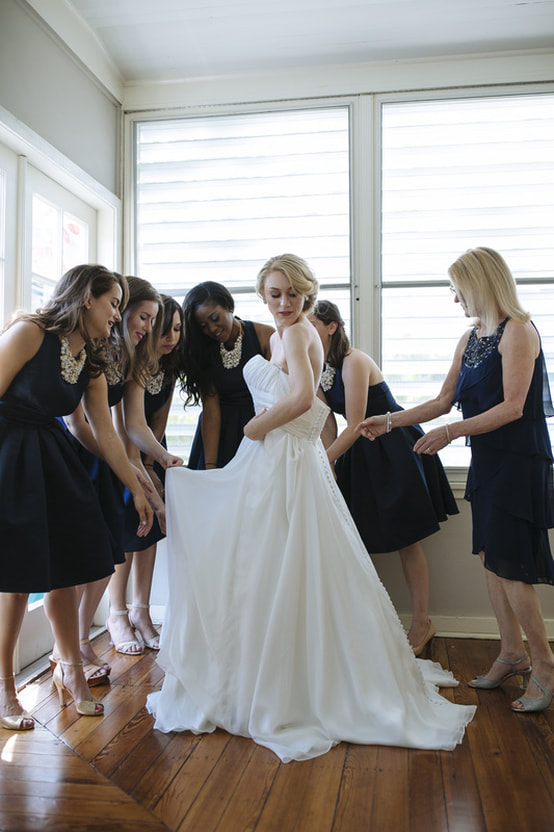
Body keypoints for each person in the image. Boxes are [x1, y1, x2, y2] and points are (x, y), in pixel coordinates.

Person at [146, 253, 475, 762]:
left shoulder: (298, 335)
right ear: (262, 294)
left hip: (282, 457)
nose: (284, 302)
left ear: (306, 293)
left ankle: (297, 683)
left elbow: (304, 399)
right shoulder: (278, 336)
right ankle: (266, 669)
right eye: (275, 294)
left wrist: (256, 428)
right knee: (267, 564)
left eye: (294, 294)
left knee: (286, 563)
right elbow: (312, 406)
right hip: (279, 460)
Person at [358, 247, 554, 713]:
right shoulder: (470, 338)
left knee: (510, 564)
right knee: (490, 557)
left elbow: (511, 406)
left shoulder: (519, 331)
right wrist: (388, 420)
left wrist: (449, 434)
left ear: (480, 283)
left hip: (518, 461)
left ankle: (544, 664)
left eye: (456, 288)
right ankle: (511, 652)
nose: (454, 298)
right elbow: (444, 399)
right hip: (488, 462)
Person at [0, 265, 153, 730]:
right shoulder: (30, 332)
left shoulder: (92, 359)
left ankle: (69, 667)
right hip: (9, 454)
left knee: (64, 564)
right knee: (17, 574)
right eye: (113, 305)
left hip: (51, 458)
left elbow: (102, 434)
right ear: (87, 298)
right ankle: (4, 686)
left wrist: (135, 487)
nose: (116, 317)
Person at [309, 300, 458, 655]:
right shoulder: (317, 366)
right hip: (355, 453)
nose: (305, 332)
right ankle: (362, 624)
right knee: (352, 541)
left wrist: (326, 460)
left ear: (331, 326)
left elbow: (357, 421)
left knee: (406, 539)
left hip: (390, 448)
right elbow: (327, 421)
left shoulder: (354, 361)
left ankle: (422, 622)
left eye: (312, 324)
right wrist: (326, 462)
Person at [58, 278, 182, 669]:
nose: (147, 327)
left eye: (152, 320)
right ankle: (72, 647)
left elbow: (135, 426)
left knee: (106, 555)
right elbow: (79, 424)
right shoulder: (92, 349)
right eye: (143, 317)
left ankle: (78, 643)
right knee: (82, 556)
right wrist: (127, 467)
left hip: (109, 454)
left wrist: (161, 458)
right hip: (78, 456)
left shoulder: (135, 359)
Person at [119, 295, 184, 651]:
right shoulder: (134, 365)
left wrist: (155, 461)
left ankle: (141, 611)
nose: (171, 336)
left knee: (151, 534)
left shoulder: (169, 368)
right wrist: (142, 470)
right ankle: (117, 613)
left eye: (177, 329)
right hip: (121, 449)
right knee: (132, 524)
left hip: (150, 448)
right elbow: (131, 427)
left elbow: (157, 425)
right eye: (163, 328)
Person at [180, 281, 273, 469]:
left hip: (259, 427)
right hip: (219, 432)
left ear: (229, 306)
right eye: (203, 326)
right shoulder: (205, 349)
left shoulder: (265, 336)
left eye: (215, 318)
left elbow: (276, 396)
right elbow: (211, 407)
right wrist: (210, 465)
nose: (212, 329)